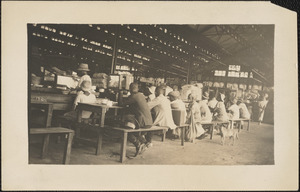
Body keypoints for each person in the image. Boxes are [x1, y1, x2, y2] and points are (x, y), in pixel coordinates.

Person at [119, 83, 153, 156]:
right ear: (137, 89)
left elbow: (121, 104)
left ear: (130, 89)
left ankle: (138, 144)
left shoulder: (134, 96)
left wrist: (120, 94)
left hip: (143, 122)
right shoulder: (141, 95)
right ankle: (145, 142)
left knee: (126, 130)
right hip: (149, 122)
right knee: (130, 126)